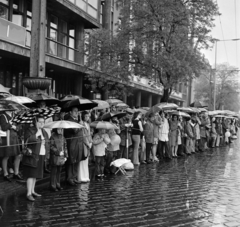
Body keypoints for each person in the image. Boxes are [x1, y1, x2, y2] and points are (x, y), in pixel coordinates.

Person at [23, 117, 49, 201]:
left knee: (35, 175)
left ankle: (33, 191)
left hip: (41, 154)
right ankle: (28, 193)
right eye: (40, 122)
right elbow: (26, 141)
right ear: (36, 122)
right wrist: (36, 135)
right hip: (33, 155)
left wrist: (45, 142)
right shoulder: (30, 130)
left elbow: (47, 141)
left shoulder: (44, 131)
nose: (41, 123)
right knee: (31, 174)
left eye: (43, 122)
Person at [64, 107, 85, 186]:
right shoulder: (69, 120)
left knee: (77, 160)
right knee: (71, 161)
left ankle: (74, 177)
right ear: (70, 112)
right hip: (72, 143)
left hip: (78, 143)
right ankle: (69, 178)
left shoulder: (77, 120)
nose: (77, 113)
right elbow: (74, 130)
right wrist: (80, 124)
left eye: (77, 111)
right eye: (75, 111)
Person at [0, 111, 22, 182]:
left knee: (18, 155)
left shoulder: (15, 115)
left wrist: (15, 127)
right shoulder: (3, 116)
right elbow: (4, 128)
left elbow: (19, 126)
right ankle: (5, 174)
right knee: (6, 156)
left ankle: (16, 173)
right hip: (7, 138)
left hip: (14, 138)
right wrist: (10, 124)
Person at [78, 111, 92, 183]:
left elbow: (89, 135)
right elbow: (82, 135)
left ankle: (86, 176)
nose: (87, 118)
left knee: (86, 161)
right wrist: (87, 143)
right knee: (83, 159)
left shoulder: (87, 124)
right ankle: (81, 177)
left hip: (88, 143)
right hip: (83, 144)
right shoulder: (81, 124)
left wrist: (90, 142)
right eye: (86, 116)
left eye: (88, 116)